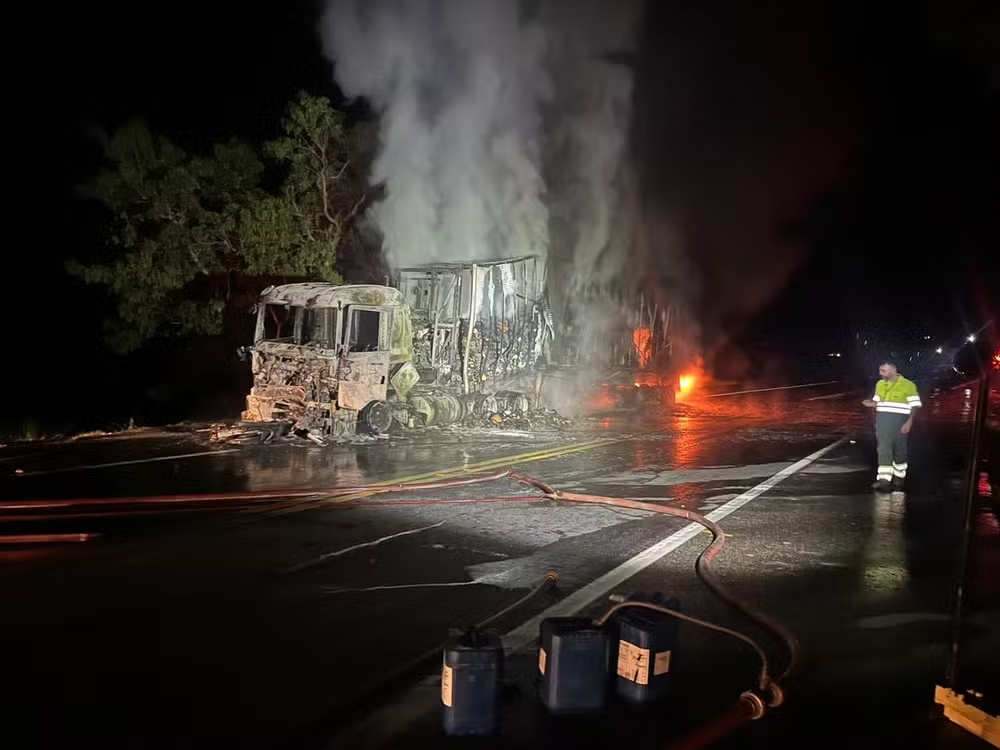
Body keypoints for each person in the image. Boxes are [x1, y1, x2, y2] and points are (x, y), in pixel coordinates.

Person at [862, 359, 922, 492]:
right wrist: (871, 403)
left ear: (893, 370)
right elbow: (877, 402)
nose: (880, 373)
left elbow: (915, 406)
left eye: (883, 370)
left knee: (900, 451)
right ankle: (884, 480)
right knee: (883, 450)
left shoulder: (908, 385)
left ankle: (899, 478)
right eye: (880, 370)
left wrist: (909, 421)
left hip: (900, 423)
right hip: (883, 423)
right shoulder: (880, 384)